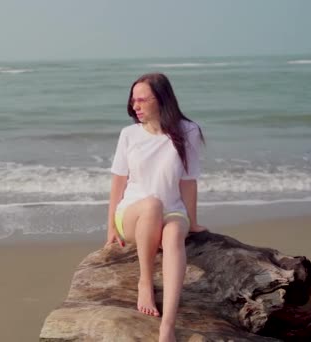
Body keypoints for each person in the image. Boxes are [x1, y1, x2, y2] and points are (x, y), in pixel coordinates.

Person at [106, 73, 207, 342]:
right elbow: (118, 182)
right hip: (132, 213)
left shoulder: (189, 132)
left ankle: (167, 328)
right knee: (151, 204)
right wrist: (109, 230)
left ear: (161, 100)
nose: (135, 106)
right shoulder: (129, 135)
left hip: (172, 209)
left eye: (142, 100)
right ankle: (145, 283)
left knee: (173, 234)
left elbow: (188, 181)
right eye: (133, 100)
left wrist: (193, 221)